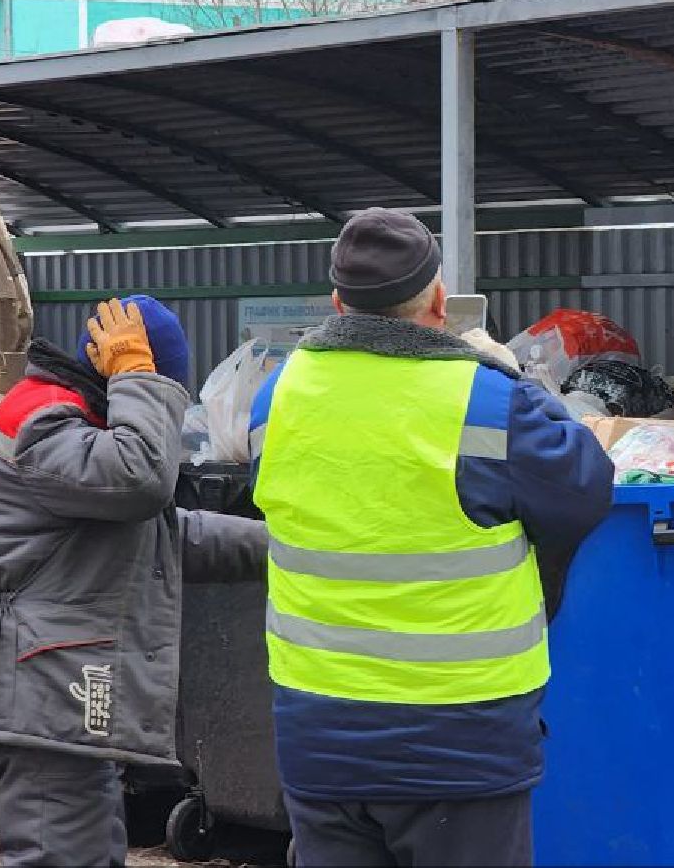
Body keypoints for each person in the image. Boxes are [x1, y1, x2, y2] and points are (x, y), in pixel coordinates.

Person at [248, 209, 614, 868]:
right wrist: (516, 378)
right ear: (439, 302)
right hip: (459, 742)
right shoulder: (486, 399)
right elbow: (584, 489)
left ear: (337, 303)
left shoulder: (276, 396)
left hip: (319, 735)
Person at [0, 296, 269, 867]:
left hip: (55, 699)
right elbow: (142, 483)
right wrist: (141, 378)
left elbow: (161, 532)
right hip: (43, 701)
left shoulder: (75, 431)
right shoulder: (42, 421)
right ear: (117, 371)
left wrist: (291, 548)